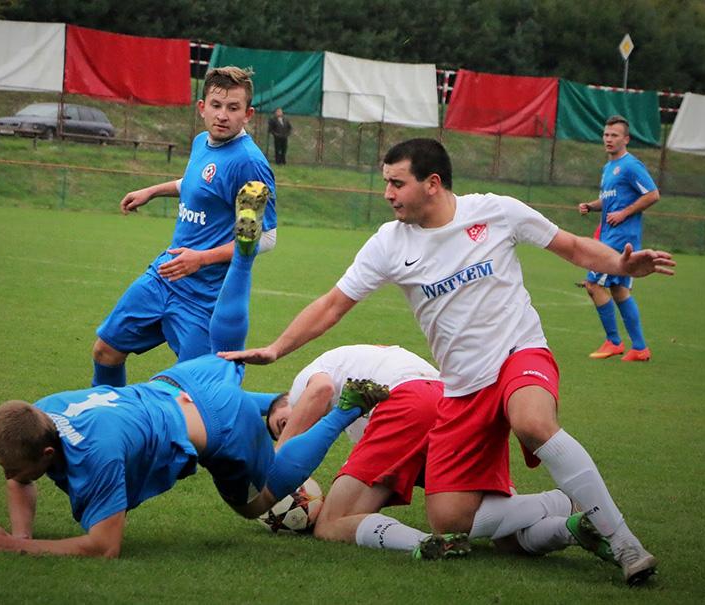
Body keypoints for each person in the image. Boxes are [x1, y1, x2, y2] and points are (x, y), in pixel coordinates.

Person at [221, 138, 675, 585]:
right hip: (459, 388)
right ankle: (565, 512)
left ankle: (624, 542)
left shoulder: (496, 211)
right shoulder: (388, 244)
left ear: (432, 183)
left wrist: (621, 264)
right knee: (449, 520)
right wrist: (278, 347)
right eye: (386, 182)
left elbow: (573, 247)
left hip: (520, 352)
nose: (387, 193)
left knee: (532, 422)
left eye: (397, 183)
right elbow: (333, 304)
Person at [0, 187, 385, 558]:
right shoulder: (40, 415)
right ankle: (244, 258)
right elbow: (20, 475)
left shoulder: (96, 454)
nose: (10, 477)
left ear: (47, 456)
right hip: (182, 379)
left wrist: (18, 547)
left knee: (261, 500)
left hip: (218, 424)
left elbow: (104, 546)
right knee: (228, 352)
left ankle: (344, 410)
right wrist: (19, 532)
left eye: (14, 469)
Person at [268, 344, 592, 562]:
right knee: (504, 537)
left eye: (282, 421)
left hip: (411, 401)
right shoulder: (361, 381)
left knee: (332, 523)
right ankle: (571, 524)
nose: (290, 426)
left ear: (285, 400)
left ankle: (421, 544)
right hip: (457, 404)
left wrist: (276, 465)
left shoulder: (307, 382)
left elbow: (320, 390)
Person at [91, 66, 278, 388]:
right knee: (105, 351)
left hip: (204, 295)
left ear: (247, 114)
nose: (223, 115)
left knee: (194, 390)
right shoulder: (202, 142)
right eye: (216, 106)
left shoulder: (249, 162)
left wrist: (201, 258)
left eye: (233, 108)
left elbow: (268, 238)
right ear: (202, 108)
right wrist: (152, 191)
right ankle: (109, 420)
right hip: (164, 275)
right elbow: (198, 183)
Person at [579, 115, 660, 362]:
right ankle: (640, 348)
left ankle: (614, 342)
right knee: (619, 289)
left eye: (614, 135)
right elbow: (610, 200)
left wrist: (624, 213)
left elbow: (653, 194)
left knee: (594, 285)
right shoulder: (608, 168)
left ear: (626, 139)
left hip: (619, 239)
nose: (608, 139)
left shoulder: (631, 165)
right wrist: (592, 206)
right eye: (606, 135)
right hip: (611, 235)